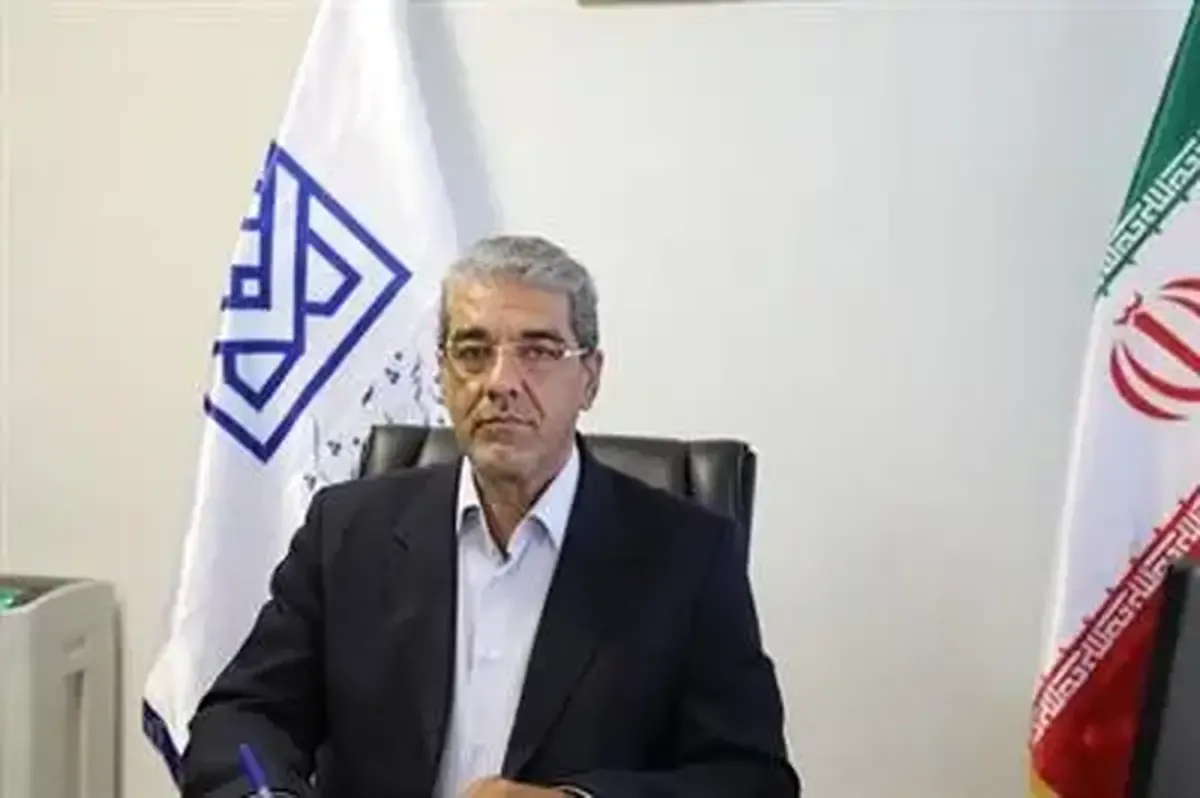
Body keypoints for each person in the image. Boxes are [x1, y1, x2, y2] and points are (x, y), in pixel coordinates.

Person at [180, 235, 801, 798]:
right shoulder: (348, 531)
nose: (501, 382)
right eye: (473, 352)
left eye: (539, 351)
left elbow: (751, 779)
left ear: (589, 379)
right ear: (442, 376)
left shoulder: (686, 555)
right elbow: (240, 719)